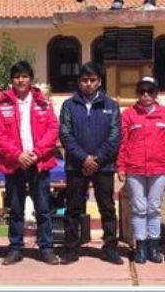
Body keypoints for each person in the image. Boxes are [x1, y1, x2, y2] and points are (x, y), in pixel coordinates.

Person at [0, 61, 60, 265]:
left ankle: (46, 248)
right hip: (14, 164)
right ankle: (15, 248)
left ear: (31, 78)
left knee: (43, 208)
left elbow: (52, 130)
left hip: (39, 162)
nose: (20, 80)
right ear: (11, 80)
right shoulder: (2, 104)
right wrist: (17, 155)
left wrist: (37, 153)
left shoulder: (43, 102)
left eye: (24, 76)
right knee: (15, 208)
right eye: (16, 76)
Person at [58, 61, 123, 265]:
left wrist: (97, 158)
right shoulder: (69, 105)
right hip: (76, 165)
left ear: (99, 81)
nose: (88, 83)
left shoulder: (111, 105)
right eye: (84, 80)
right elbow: (65, 135)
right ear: (79, 82)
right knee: (73, 208)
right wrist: (84, 158)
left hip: (104, 166)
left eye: (92, 80)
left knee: (107, 208)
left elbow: (115, 136)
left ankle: (110, 248)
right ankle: (71, 249)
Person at [117, 76, 165, 264]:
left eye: (150, 91)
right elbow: (122, 143)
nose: (146, 95)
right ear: (137, 93)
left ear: (156, 93)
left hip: (160, 169)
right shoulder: (128, 114)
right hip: (135, 169)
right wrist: (121, 166)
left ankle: (154, 246)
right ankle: (140, 246)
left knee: (154, 208)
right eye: (142, 91)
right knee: (139, 208)